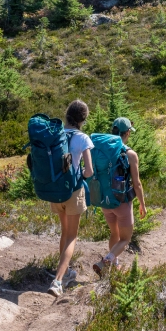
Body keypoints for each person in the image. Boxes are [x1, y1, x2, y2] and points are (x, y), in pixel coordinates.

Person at [47, 99, 94, 298]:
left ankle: (64, 273)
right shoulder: (82, 138)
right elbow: (89, 172)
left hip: (55, 191)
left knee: (64, 233)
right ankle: (58, 281)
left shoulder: (56, 134)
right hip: (73, 192)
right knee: (72, 236)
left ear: (67, 115)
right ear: (83, 119)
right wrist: (80, 175)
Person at [93, 117, 146, 277]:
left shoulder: (102, 149)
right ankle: (106, 261)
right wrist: (142, 204)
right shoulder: (130, 154)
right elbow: (137, 184)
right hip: (122, 202)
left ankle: (115, 265)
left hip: (104, 200)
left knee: (114, 234)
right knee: (125, 239)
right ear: (128, 132)